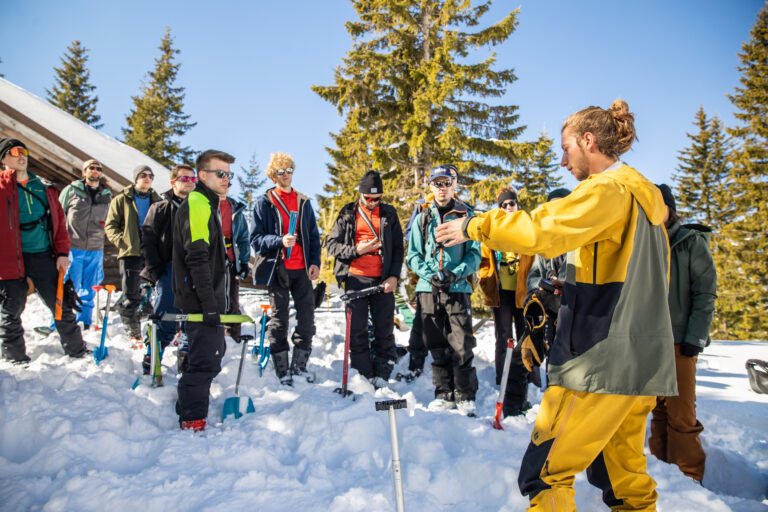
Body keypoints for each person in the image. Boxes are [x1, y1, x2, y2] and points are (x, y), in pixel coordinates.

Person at [435, 100, 677, 511]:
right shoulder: (646, 203)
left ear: (589, 141)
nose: (563, 160)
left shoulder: (607, 191)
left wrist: (476, 225)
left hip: (599, 363)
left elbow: (544, 228)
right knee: (624, 480)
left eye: (566, 148)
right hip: (643, 364)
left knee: (546, 473)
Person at [648, 183, 716, 483]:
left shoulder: (691, 242)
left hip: (680, 343)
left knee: (682, 416)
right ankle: (664, 473)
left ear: (670, 208)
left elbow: (705, 293)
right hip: (649, 343)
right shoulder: (645, 243)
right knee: (658, 411)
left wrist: (694, 338)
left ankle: (689, 477)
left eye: (658, 204)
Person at [0, 138, 89, 362]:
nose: (22, 155)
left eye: (25, 151)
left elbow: (59, 222)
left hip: (43, 256)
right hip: (10, 259)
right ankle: (15, 357)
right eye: (15, 151)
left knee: (61, 305)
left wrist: (61, 254)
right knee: (11, 311)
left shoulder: (44, 187)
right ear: (3, 158)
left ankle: (77, 351)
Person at [406, 164, 481, 416]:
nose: (442, 188)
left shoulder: (467, 216)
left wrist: (455, 272)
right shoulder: (422, 217)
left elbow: (474, 255)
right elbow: (413, 256)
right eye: (437, 183)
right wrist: (430, 274)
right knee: (435, 342)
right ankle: (444, 392)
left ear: (454, 185)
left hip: (457, 287)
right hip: (429, 289)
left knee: (461, 342)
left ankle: (465, 393)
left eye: (447, 183)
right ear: (430, 187)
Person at [172, 150, 235, 431]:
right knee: (204, 359)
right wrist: (209, 303)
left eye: (229, 175)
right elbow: (196, 256)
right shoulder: (197, 202)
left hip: (206, 299)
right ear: (203, 176)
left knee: (211, 352)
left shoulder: (208, 204)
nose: (226, 180)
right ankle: (192, 419)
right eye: (220, 174)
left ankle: (186, 408)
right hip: (199, 300)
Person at [326, 170, 404, 387]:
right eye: (368, 198)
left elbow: (398, 247)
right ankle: (363, 376)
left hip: (383, 281)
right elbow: (331, 245)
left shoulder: (389, 213)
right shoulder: (348, 213)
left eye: (376, 199)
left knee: (384, 330)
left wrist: (394, 276)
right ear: (360, 194)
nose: (372, 202)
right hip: (355, 280)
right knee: (357, 332)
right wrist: (356, 250)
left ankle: (383, 374)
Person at [250, 152, 321, 385]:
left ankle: (299, 366)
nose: (286, 175)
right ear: (272, 175)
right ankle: (282, 370)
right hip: (277, 268)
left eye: (289, 170)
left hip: (301, 269)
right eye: (281, 171)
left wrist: (314, 263)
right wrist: (279, 241)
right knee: (279, 320)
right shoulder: (264, 202)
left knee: (307, 320)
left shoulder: (304, 201)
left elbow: (313, 235)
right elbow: (256, 240)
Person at [476, 186, 534, 417]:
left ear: (517, 205)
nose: (508, 208)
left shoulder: (527, 227)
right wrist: (485, 277)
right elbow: (484, 258)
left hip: (523, 291)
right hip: (500, 292)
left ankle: (530, 375)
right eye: (503, 205)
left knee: (526, 335)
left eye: (511, 203)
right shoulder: (494, 230)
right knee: (503, 336)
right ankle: (503, 376)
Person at [139, 165, 197, 374]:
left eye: (193, 179)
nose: (190, 182)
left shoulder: (200, 208)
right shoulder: (160, 207)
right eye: (185, 178)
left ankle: (186, 358)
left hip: (194, 271)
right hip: (168, 269)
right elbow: (148, 239)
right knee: (165, 314)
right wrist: (155, 271)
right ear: (173, 182)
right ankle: (153, 355)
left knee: (192, 318)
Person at [104, 164, 162, 342]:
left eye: (150, 176)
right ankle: (132, 328)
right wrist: (122, 241)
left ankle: (155, 328)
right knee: (131, 292)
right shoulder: (122, 199)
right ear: (136, 178)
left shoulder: (158, 201)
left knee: (154, 290)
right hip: (131, 252)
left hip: (152, 252)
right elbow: (111, 225)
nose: (147, 178)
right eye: (143, 175)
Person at [520, 187, 571, 383]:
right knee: (552, 357)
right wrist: (536, 289)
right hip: (549, 307)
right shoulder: (546, 240)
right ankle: (552, 400)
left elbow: (574, 272)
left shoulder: (577, 236)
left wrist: (560, 284)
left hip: (571, 309)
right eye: (551, 206)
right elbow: (534, 273)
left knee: (568, 360)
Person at [56, 159, 113, 330]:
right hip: (72, 245)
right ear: (84, 172)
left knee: (90, 286)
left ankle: (85, 320)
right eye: (91, 168)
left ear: (101, 173)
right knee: (67, 284)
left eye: (98, 169)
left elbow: (111, 219)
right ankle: (58, 320)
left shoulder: (107, 195)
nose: (94, 171)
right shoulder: (72, 190)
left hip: (95, 247)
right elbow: (58, 215)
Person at [218, 190, 251, 341]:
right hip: (209, 262)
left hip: (230, 261)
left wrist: (244, 261)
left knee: (231, 300)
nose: (225, 185)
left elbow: (244, 238)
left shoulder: (235, 208)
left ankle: (232, 338)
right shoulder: (204, 204)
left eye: (228, 182)